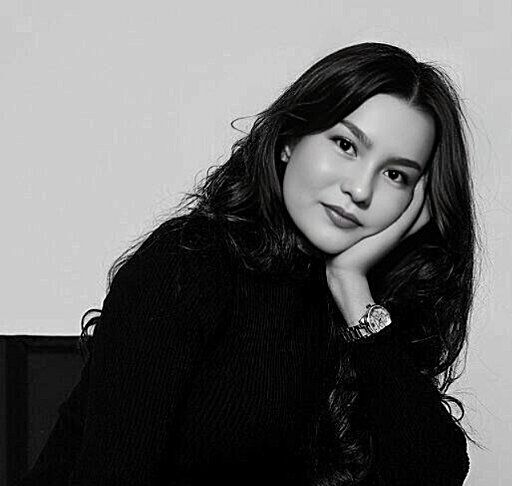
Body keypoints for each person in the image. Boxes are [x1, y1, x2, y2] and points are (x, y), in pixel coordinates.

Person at [19, 41, 479, 485]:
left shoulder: (368, 304)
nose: (360, 190)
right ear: (290, 139)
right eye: (345, 145)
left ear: (417, 202)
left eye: (395, 175)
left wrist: (351, 287)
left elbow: (431, 473)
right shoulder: (188, 264)